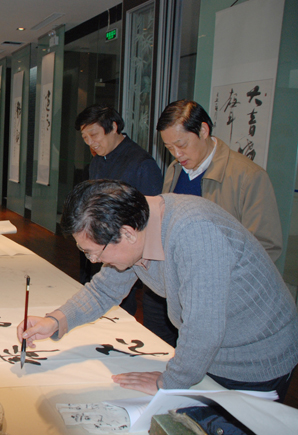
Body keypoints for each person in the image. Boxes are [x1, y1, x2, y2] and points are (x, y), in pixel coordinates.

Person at [18, 180, 298, 399]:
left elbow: (203, 328)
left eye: (94, 252)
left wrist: (169, 383)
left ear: (127, 233)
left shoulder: (195, 233)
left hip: (254, 360)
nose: (93, 261)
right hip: (213, 355)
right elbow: (104, 289)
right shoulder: (138, 225)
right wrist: (56, 320)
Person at [144, 100, 284, 346]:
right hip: (174, 290)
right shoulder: (175, 170)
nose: (176, 154)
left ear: (203, 130)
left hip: (217, 301)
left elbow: (265, 247)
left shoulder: (248, 176)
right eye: (169, 147)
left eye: (181, 145)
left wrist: (217, 288)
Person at [75, 105, 163, 315]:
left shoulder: (142, 164)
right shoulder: (97, 162)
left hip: (126, 251)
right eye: (85, 138)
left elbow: (152, 218)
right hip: (100, 246)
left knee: (121, 306)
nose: (91, 142)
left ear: (113, 127)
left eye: (94, 135)